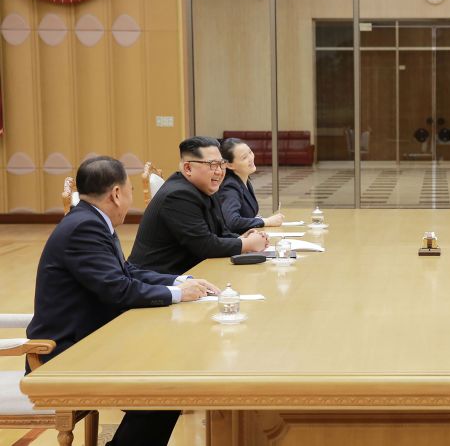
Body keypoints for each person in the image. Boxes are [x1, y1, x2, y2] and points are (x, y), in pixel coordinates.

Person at [26, 156, 220, 446]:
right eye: (130, 190)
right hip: (65, 352)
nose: (132, 199)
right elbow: (118, 289)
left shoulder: (90, 219)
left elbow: (126, 271)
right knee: (165, 388)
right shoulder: (84, 227)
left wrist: (180, 281)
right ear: (116, 194)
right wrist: (178, 295)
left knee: (168, 374)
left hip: (93, 339)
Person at [128, 136, 268, 275]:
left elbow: (220, 232)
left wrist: (241, 238)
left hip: (191, 273)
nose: (219, 171)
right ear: (188, 168)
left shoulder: (206, 186)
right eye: (212, 165)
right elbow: (205, 245)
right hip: (158, 281)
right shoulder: (178, 195)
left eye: (221, 164)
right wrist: (247, 244)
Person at [217, 138, 284, 234]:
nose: (251, 158)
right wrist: (266, 221)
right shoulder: (230, 187)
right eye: (244, 157)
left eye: (250, 152)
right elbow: (232, 222)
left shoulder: (244, 180)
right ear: (229, 165)